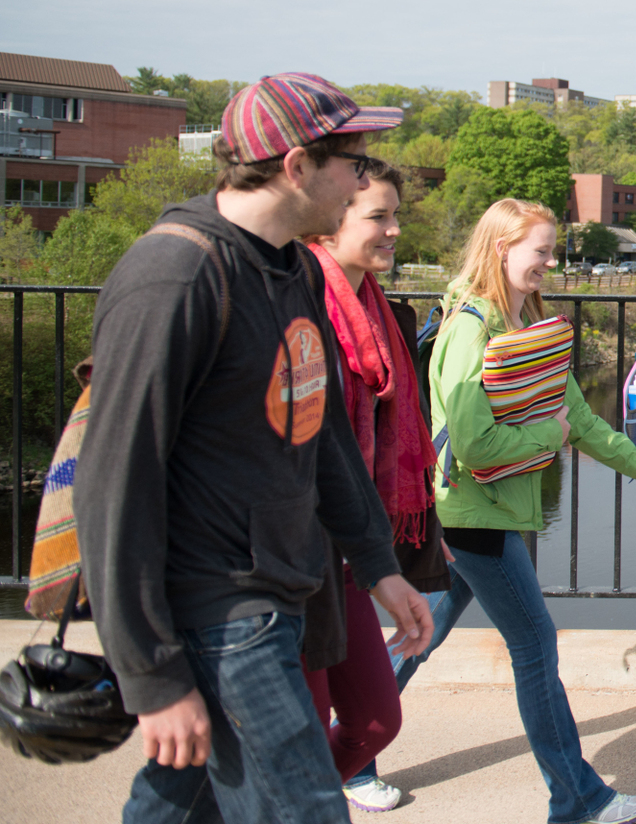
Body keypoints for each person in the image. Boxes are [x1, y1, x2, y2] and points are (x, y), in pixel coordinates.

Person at [74, 72, 435, 822]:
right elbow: (114, 484)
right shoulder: (171, 276)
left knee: (179, 803)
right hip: (221, 610)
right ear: (297, 166)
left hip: (284, 584)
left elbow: (323, 431)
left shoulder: (293, 269)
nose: (363, 181)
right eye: (355, 164)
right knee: (305, 809)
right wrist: (151, 676)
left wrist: (376, 564)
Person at [421, 197, 636, 824]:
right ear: (502, 248)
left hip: (485, 508)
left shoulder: (521, 319)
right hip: (474, 512)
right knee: (535, 646)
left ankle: (348, 746)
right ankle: (579, 799)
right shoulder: (469, 328)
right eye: (540, 250)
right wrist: (549, 438)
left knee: (418, 632)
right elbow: (477, 441)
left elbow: (580, 419)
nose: (550, 261)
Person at [304, 159, 452, 811]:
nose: (394, 230)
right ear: (330, 221)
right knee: (298, 735)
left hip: (348, 554)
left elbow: (394, 440)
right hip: (294, 557)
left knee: (374, 722)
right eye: (378, 217)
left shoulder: (383, 310)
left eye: (397, 215)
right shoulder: (299, 302)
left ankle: (293, 792)